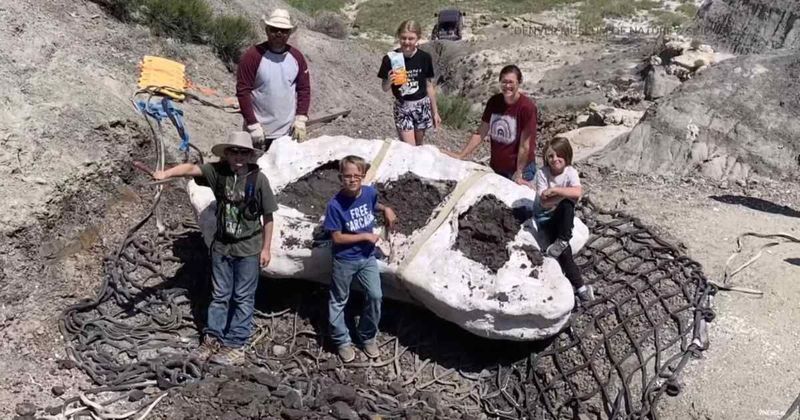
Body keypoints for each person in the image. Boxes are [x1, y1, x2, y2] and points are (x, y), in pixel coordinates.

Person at [152, 132, 279, 365]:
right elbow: (191, 170)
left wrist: (266, 248)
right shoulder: (217, 173)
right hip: (222, 246)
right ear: (227, 153)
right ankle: (212, 340)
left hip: (248, 247)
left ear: (251, 155)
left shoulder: (258, 180)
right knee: (220, 295)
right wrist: (166, 174)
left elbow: (268, 217)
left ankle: (236, 344)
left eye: (244, 152)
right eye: (234, 151)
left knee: (243, 296)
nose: (238, 156)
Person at [323, 156, 397, 362]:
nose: (352, 180)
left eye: (357, 175)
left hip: (367, 257)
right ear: (340, 177)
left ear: (364, 176)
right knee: (338, 301)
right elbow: (337, 237)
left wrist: (386, 209)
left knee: (375, 295)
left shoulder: (369, 193)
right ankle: (341, 341)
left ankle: (367, 336)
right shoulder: (335, 205)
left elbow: (374, 205)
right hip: (344, 260)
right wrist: (364, 236)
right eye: (347, 176)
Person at [446, 65, 537, 185]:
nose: (507, 86)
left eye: (511, 82)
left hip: (520, 170)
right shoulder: (494, 102)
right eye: (504, 82)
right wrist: (461, 155)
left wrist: (519, 172)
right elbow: (481, 132)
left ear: (519, 82)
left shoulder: (526, 107)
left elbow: (525, 145)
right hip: (497, 167)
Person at [237, 8, 311, 151]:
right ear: (267, 30)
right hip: (259, 132)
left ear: (289, 33)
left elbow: (304, 89)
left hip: (286, 132)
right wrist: (252, 125)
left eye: (284, 31)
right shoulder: (253, 56)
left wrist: (301, 118)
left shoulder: (297, 57)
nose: (279, 33)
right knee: (254, 169)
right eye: (274, 29)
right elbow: (243, 91)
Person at [533, 137, 594, 302]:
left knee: (567, 206)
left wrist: (557, 191)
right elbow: (544, 201)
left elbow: (577, 193)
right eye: (551, 156)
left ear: (566, 156)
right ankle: (581, 288)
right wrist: (564, 194)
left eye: (559, 155)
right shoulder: (542, 173)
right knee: (567, 204)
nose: (555, 160)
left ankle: (581, 289)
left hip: (561, 217)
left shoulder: (570, 172)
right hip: (546, 219)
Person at [377, 20, 441, 146]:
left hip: (422, 106)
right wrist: (389, 80)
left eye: (411, 39)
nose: (407, 42)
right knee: (408, 148)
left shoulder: (424, 58)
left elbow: (429, 86)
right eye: (403, 38)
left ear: (418, 38)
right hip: (403, 106)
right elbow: (384, 88)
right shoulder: (390, 58)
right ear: (398, 37)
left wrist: (435, 112)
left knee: (418, 145)